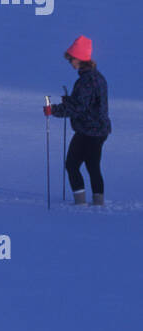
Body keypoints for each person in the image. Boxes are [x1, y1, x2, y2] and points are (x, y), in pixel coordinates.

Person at [45, 36, 111, 206]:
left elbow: (79, 107)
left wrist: (54, 110)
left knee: (72, 165)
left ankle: (80, 204)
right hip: (100, 130)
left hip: (88, 130)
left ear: (80, 58)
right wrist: (69, 101)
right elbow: (87, 104)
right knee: (93, 166)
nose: (71, 63)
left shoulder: (86, 81)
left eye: (72, 59)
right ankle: (98, 202)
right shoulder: (98, 77)